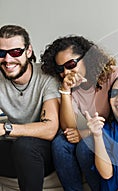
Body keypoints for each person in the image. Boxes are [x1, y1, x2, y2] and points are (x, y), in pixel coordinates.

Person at [40, 35, 118, 190]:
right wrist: (66, 91)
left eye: (71, 64)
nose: (66, 72)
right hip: (89, 130)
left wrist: (84, 134)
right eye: (60, 69)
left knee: (86, 147)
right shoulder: (66, 85)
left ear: (87, 59)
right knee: (60, 144)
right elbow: (68, 127)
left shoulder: (113, 75)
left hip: (111, 131)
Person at [0, 25, 60, 190]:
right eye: (1, 53)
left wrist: (6, 128)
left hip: (43, 152)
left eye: (16, 52)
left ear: (28, 51)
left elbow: (50, 129)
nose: (8, 59)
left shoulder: (47, 77)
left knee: (25, 146)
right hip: (12, 148)